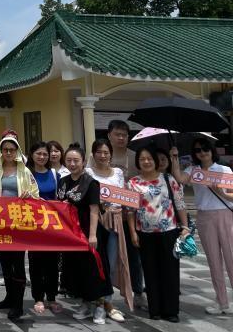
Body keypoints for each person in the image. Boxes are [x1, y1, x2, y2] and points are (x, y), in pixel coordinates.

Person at [127, 145, 191, 322]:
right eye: (142, 159)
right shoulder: (132, 183)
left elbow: (180, 204)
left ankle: (171, 311)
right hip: (144, 233)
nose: (146, 161)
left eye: (149, 158)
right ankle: (154, 309)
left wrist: (185, 228)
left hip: (168, 232)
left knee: (170, 272)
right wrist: (133, 233)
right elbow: (130, 211)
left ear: (155, 160)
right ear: (138, 163)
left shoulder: (168, 178)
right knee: (150, 271)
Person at [170, 138, 233, 315]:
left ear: (212, 150)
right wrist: (174, 158)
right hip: (204, 217)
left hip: (225, 215)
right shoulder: (193, 170)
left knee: (231, 258)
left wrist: (220, 191)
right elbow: (180, 178)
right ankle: (222, 301)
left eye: (205, 149)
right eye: (198, 150)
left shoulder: (224, 170)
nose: (202, 153)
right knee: (213, 261)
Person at [57, 143, 113, 325]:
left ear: (83, 162)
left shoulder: (90, 182)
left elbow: (94, 210)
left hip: (88, 231)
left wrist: (92, 235)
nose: (72, 164)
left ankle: (99, 306)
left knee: (94, 269)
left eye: (76, 160)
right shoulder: (63, 181)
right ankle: (84, 303)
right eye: (69, 160)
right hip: (70, 234)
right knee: (76, 270)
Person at [0, 133, 39, 321]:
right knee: (4, 262)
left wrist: (28, 195)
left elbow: (36, 194)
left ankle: (18, 304)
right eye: (5, 149)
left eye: (12, 149)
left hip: (19, 223)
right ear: (1, 152)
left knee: (18, 263)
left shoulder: (24, 171)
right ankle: (9, 298)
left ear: (17, 151)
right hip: (1, 222)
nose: (9, 152)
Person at [86, 138, 130, 321]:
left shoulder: (118, 172)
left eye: (106, 152)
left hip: (115, 222)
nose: (103, 156)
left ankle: (108, 303)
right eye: (99, 152)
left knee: (111, 264)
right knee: (97, 264)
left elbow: (125, 195)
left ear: (110, 153)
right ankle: (98, 303)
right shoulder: (87, 173)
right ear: (93, 154)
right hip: (95, 221)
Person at [25, 141, 62, 315]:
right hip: (33, 225)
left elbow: (61, 198)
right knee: (36, 262)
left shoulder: (55, 174)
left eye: (45, 154)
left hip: (52, 225)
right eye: (38, 153)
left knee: (52, 262)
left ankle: (52, 297)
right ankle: (38, 297)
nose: (42, 157)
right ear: (32, 155)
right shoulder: (26, 174)